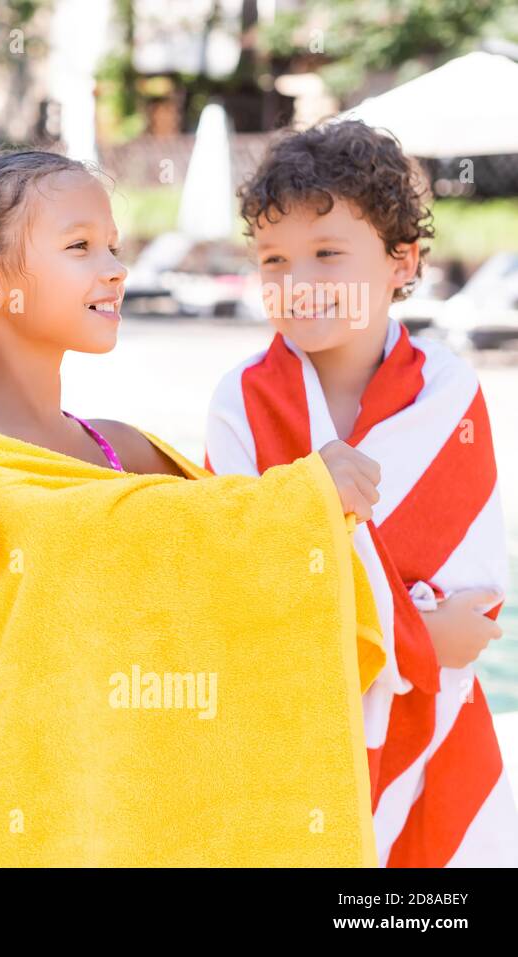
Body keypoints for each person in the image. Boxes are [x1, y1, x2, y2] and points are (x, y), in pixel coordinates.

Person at [0, 150, 388, 866]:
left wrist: (303, 511)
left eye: (113, 245)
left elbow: (233, 577)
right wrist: (301, 495)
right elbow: (65, 538)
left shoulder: (121, 447)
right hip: (13, 829)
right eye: (80, 246)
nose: (115, 267)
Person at [205, 119, 518, 866]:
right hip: (295, 743)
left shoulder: (448, 394)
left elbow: (474, 600)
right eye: (273, 260)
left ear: (401, 262)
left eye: (327, 255)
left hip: (437, 735)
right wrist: (415, 638)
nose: (298, 284)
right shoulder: (239, 404)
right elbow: (240, 599)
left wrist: (403, 637)